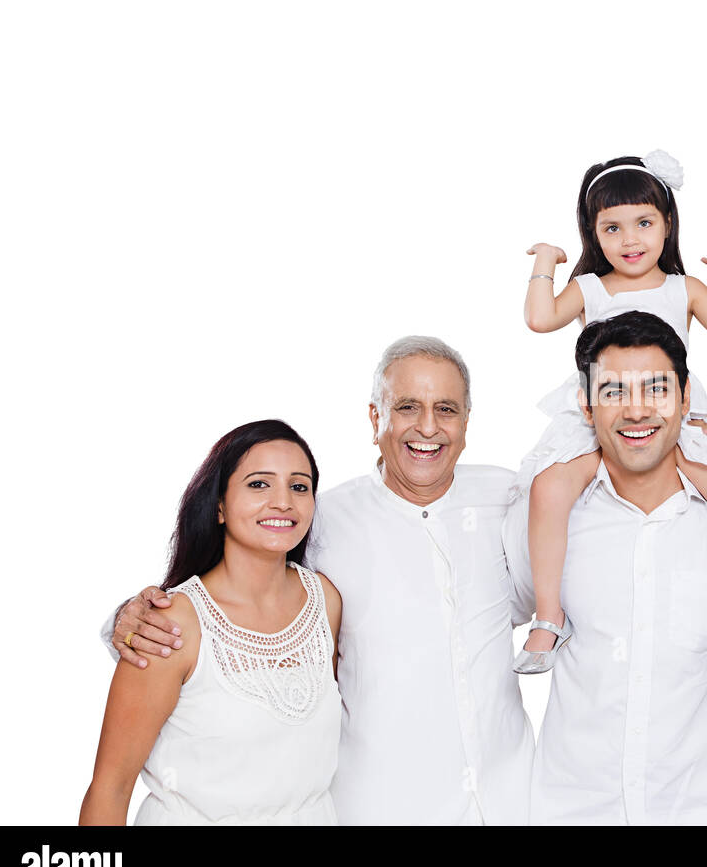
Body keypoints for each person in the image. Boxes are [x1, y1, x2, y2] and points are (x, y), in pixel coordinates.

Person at [107, 337, 535, 825]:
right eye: (408, 407)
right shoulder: (321, 518)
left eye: (446, 409)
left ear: (467, 421)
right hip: (379, 807)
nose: (428, 427)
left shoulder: (511, 498)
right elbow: (234, 591)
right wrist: (126, 616)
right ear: (376, 419)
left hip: (509, 800)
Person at [503, 311, 707, 824]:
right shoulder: (544, 515)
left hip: (698, 807)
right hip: (572, 806)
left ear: (686, 396)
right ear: (586, 403)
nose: (636, 410)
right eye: (613, 391)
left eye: (656, 388)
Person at [514, 149, 707, 674]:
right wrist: (547, 261)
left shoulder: (683, 289)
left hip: (671, 415)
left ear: (667, 225)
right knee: (551, 486)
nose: (630, 241)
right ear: (593, 233)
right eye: (612, 228)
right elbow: (540, 318)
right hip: (598, 416)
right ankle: (548, 616)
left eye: (644, 223)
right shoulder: (591, 288)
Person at [81, 420, 343, 825]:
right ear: (219, 505)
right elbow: (110, 789)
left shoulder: (324, 601)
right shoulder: (171, 623)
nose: (283, 502)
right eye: (259, 484)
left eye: (299, 486)